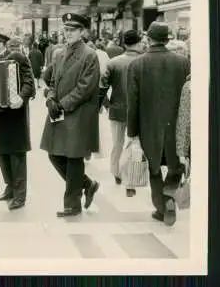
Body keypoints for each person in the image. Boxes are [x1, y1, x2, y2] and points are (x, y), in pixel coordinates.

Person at [126, 21, 189, 226]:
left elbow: (132, 102)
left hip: (148, 126)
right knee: (175, 165)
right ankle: (170, 196)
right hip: (176, 125)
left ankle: (161, 207)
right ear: (167, 39)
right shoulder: (183, 62)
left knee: (153, 168)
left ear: (148, 39)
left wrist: (132, 131)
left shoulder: (136, 64)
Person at [40, 13, 100, 217]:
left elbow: (85, 88)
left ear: (82, 32)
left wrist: (62, 104)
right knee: (54, 154)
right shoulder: (58, 54)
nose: (68, 33)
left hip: (78, 113)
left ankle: (72, 205)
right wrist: (50, 98)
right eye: (66, 29)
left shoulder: (89, 55)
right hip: (60, 110)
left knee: (73, 158)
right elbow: (53, 82)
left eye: (73, 30)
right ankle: (87, 184)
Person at [0, 28, 36, 210]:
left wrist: (21, 97)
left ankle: (20, 195)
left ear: (1, 44)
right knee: (2, 153)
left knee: (17, 154)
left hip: (16, 114)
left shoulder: (18, 58)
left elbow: (30, 82)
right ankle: (10, 187)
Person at [100, 30, 144, 196]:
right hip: (138, 112)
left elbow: (102, 86)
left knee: (117, 144)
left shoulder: (113, 63)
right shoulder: (143, 62)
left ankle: (116, 173)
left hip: (117, 109)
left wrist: (107, 104)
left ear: (124, 43)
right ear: (138, 43)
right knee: (134, 145)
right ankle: (130, 180)